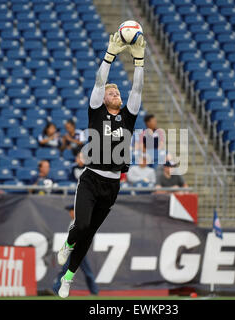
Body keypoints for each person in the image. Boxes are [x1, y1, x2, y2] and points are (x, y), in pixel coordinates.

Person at [56, 32, 145, 298]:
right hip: (91, 179)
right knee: (81, 226)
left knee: (89, 233)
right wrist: (109, 56)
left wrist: (139, 60)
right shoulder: (96, 112)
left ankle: (68, 278)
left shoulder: (128, 117)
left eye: (118, 91)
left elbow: (137, 89)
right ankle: (68, 243)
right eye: (111, 91)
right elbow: (99, 82)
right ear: (104, 99)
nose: (116, 92)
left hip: (112, 184)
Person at [52, 204, 99, 296]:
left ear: (76, 210)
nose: (70, 213)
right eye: (69, 211)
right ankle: (57, 289)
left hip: (78, 250)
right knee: (74, 271)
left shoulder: (81, 221)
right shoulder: (74, 222)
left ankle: (57, 289)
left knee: (83, 271)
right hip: (72, 250)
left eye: (71, 211)